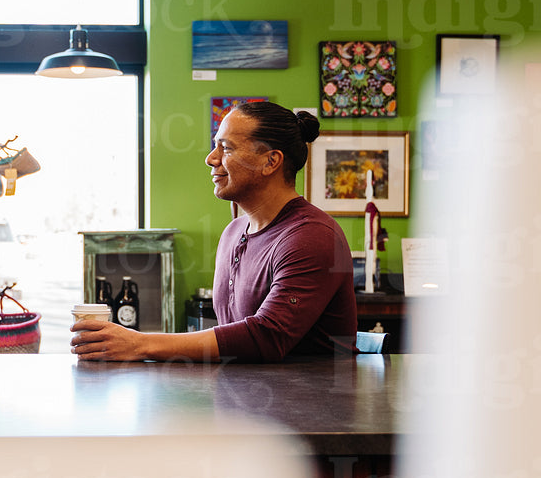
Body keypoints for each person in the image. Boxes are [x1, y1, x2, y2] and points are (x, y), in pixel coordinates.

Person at [73, 102, 356, 361]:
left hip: (309, 412)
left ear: (271, 161)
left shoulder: (312, 236)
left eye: (226, 148)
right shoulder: (234, 231)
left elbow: (268, 336)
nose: (211, 158)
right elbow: (233, 340)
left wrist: (141, 344)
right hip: (248, 405)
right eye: (215, 146)